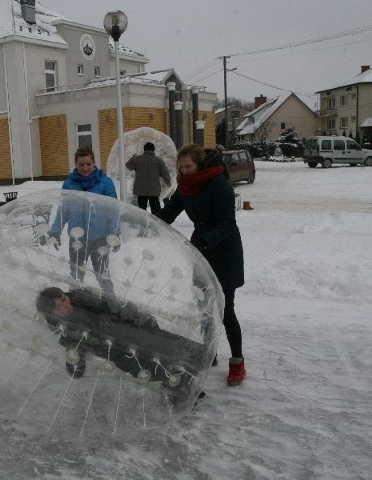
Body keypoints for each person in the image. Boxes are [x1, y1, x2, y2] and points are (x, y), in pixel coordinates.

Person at [157, 144, 246, 386]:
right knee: (205, 306)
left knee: (225, 311)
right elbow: (171, 211)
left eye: (189, 166)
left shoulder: (218, 184)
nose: (185, 171)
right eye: (181, 167)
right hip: (201, 250)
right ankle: (210, 352)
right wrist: (149, 222)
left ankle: (237, 361)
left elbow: (228, 224)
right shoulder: (186, 186)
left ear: (200, 164)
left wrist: (205, 243)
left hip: (224, 251)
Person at [35, 286, 209, 397]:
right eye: (58, 308)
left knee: (170, 348)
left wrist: (142, 320)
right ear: (53, 315)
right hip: (123, 356)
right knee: (155, 369)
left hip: (135, 332)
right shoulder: (70, 334)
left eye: (63, 300)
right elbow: (76, 363)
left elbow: (119, 306)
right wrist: (74, 362)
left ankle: (196, 367)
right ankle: (182, 386)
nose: (65, 306)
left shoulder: (87, 299)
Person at [48, 146, 119, 292]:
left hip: (100, 239)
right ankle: (74, 305)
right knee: (76, 276)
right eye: (81, 164)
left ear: (94, 163)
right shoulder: (69, 184)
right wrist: (55, 231)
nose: (85, 168)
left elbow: (114, 210)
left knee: (103, 275)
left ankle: (111, 307)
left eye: (88, 164)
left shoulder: (105, 183)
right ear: (76, 164)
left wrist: (115, 233)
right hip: (77, 240)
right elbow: (63, 210)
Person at [125, 142, 171, 216]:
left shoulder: (137, 159)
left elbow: (128, 166)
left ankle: (143, 223)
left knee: (142, 210)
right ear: (153, 150)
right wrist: (168, 182)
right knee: (156, 210)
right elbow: (165, 173)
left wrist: (133, 158)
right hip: (154, 190)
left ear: (144, 149)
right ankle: (156, 223)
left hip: (141, 190)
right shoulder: (158, 161)